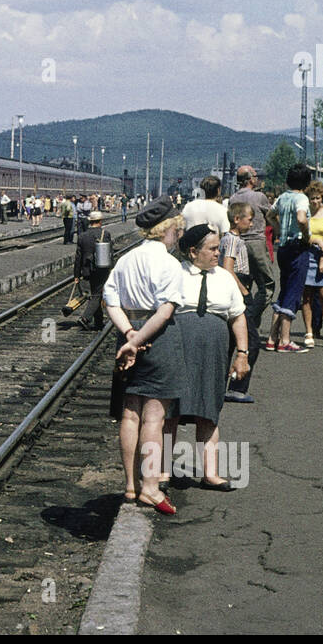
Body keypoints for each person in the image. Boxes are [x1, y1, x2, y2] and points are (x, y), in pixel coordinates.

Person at [103, 195, 186, 515]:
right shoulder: (168, 263)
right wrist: (140, 339)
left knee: (129, 413)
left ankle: (129, 485)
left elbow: (110, 301)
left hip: (129, 332)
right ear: (167, 229)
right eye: (176, 230)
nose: (178, 235)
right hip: (157, 337)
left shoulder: (126, 260)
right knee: (154, 416)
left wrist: (128, 336)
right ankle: (150, 487)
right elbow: (165, 312)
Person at [170, 223, 249, 489]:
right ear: (193, 251)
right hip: (179, 347)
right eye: (213, 249)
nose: (218, 254)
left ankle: (210, 473)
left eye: (219, 249)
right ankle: (160, 471)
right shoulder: (174, 274)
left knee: (210, 410)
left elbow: (238, 317)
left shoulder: (225, 278)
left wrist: (242, 354)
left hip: (214, 350)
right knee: (171, 410)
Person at [265, 164, 312, 352]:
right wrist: (307, 234)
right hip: (298, 247)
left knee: (284, 291)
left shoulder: (282, 197)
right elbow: (301, 218)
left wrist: (278, 230)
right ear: (307, 183)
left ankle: (271, 337)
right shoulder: (301, 198)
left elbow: (270, 214)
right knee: (293, 292)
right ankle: (285, 340)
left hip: (283, 247)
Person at [222, 202, 260, 403]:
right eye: (249, 219)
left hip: (237, 287)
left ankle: (221, 386)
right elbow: (228, 267)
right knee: (251, 340)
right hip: (238, 288)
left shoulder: (231, 239)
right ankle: (237, 387)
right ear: (237, 219)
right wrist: (243, 291)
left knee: (229, 340)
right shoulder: (232, 241)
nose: (252, 223)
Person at [228, 166, 276, 325]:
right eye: (256, 176)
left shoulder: (233, 198)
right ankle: (252, 317)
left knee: (243, 284)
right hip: (256, 243)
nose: (258, 179)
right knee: (267, 285)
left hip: (239, 243)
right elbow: (271, 215)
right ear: (250, 179)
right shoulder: (259, 197)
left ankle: (241, 318)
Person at [301, 182, 323, 349]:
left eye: (317, 198)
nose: (315, 201)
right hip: (307, 253)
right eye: (312, 198)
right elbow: (304, 236)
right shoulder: (306, 215)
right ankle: (309, 331)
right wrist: (315, 239)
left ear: (322, 198)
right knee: (307, 296)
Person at [73, 210, 112, 330]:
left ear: (90, 221)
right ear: (100, 221)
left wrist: (76, 274)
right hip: (102, 269)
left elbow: (78, 257)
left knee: (96, 292)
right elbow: (110, 253)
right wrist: (112, 269)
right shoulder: (105, 234)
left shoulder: (82, 236)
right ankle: (85, 318)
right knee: (97, 294)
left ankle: (99, 322)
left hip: (87, 269)